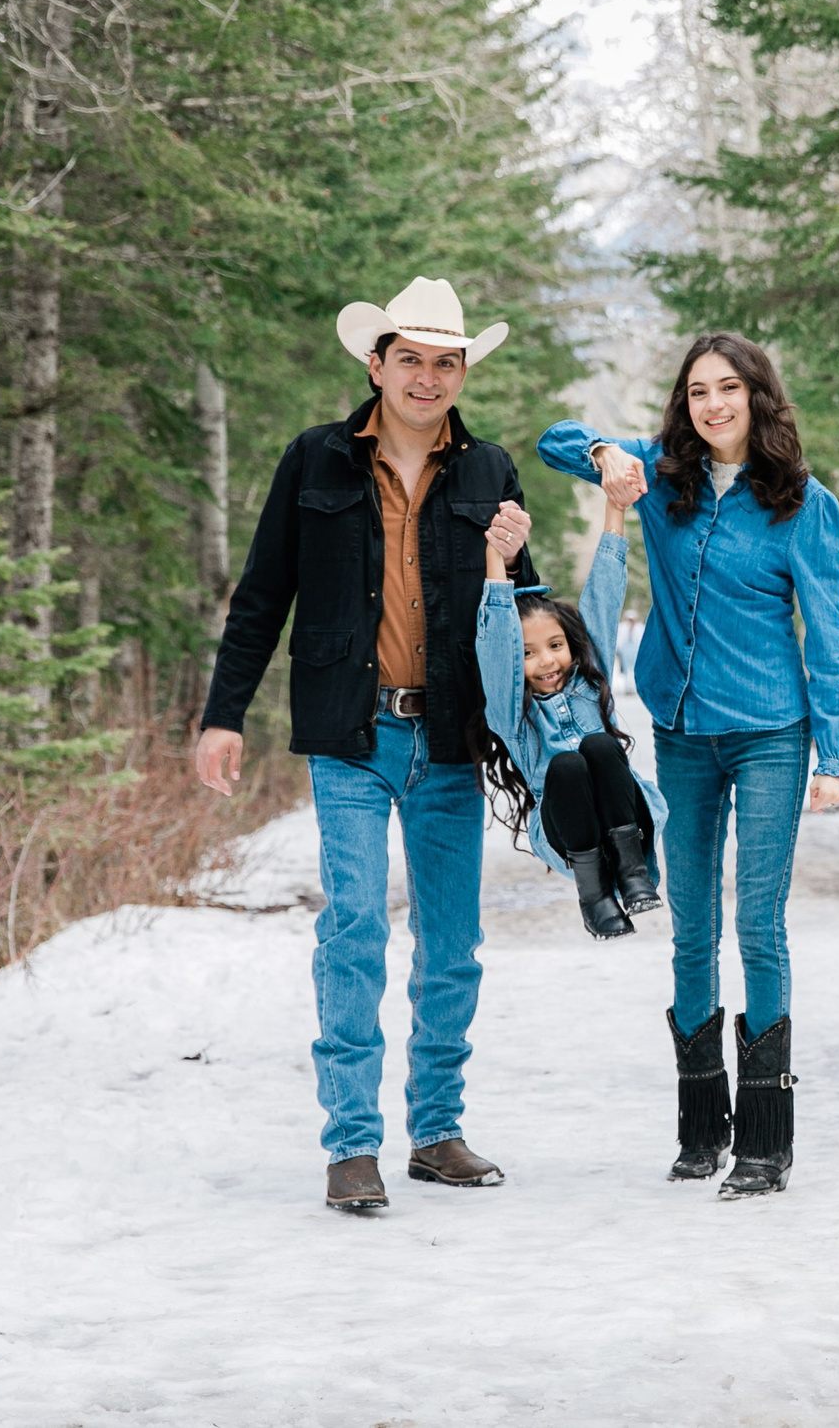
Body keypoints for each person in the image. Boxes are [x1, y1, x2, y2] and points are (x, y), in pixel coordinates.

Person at [195, 276, 540, 1215]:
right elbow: (263, 594)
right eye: (411, 359)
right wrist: (224, 714)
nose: (428, 378)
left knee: (453, 943)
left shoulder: (490, 471)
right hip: (350, 733)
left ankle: (436, 1131)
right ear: (375, 363)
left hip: (451, 737)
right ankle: (352, 1143)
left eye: (446, 362)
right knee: (352, 929)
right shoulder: (315, 460)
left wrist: (513, 562)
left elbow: (526, 625)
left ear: (464, 370)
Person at [540, 332, 839, 1199]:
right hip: (680, 730)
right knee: (690, 927)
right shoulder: (660, 478)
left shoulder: (802, 502)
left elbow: (828, 634)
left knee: (757, 922)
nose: (713, 404)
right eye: (697, 391)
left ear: (758, 396)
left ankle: (764, 1138)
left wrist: (837, 752)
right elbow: (554, 439)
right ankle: (697, 1128)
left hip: (769, 733)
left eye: (729, 388)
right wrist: (606, 452)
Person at [471, 494, 670, 940]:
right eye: (528, 653)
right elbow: (496, 646)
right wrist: (494, 561)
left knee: (599, 745)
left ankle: (633, 869)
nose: (546, 661)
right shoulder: (513, 715)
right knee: (566, 764)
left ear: (572, 646)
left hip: (626, 814)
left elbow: (603, 593)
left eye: (555, 646)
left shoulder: (589, 681)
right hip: (568, 831)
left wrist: (616, 508)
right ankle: (594, 894)